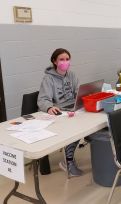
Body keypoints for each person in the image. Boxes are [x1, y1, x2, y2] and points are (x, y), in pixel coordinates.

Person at [37, 48, 83, 177]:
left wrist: (82, 98)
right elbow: (42, 99)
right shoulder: (48, 78)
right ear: (55, 61)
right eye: (61, 59)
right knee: (74, 130)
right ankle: (68, 162)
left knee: (83, 127)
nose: (65, 62)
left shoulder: (72, 75)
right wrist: (49, 107)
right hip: (58, 112)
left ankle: (69, 157)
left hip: (71, 109)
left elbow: (78, 92)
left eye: (67, 59)